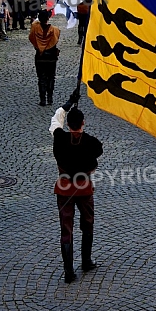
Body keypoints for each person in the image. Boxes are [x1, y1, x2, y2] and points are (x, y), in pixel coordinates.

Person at [49, 95, 103, 283]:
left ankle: (69, 272)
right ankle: (86, 261)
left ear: (69, 124)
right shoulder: (90, 142)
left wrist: (67, 105)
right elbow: (98, 151)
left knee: (66, 229)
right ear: (83, 123)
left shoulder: (59, 138)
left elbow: (56, 121)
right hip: (83, 188)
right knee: (87, 223)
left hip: (64, 188)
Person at [29, 9, 60, 106]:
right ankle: (50, 98)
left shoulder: (35, 28)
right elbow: (56, 39)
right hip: (51, 57)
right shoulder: (55, 30)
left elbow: (31, 37)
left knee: (41, 78)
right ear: (48, 18)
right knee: (51, 77)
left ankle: (43, 99)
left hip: (40, 56)